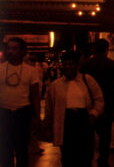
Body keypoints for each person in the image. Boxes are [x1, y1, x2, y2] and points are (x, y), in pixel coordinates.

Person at [45, 50, 104, 167]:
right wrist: (48, 126)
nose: (67, 67)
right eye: (65, 64)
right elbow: (49, 108)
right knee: (67, 156)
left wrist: (94, 114)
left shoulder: (87, 80)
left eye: (70, 64)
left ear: (76, 65)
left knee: (85, 155)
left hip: (84, 121)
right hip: (65, 122)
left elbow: (99, 99)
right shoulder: (55, 85)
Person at [80, 40, 114, 167]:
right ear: (107, 50)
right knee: (105, 134)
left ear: (94, 49)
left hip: (88, 103)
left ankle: (88, 158)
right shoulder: (112, 65)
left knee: (88, 133)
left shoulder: (86, 64)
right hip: (107, 103)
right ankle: (103, 159)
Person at [2, 36, 42, 167]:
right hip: (3, 112)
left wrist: (36, 116)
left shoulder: (30, 71)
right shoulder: (1, 69)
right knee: (5, 149)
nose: (10, 51)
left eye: (14, 48)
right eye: (9, 48)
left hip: (23, 113)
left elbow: (35, 95)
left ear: (22, 51)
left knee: (22, 150)